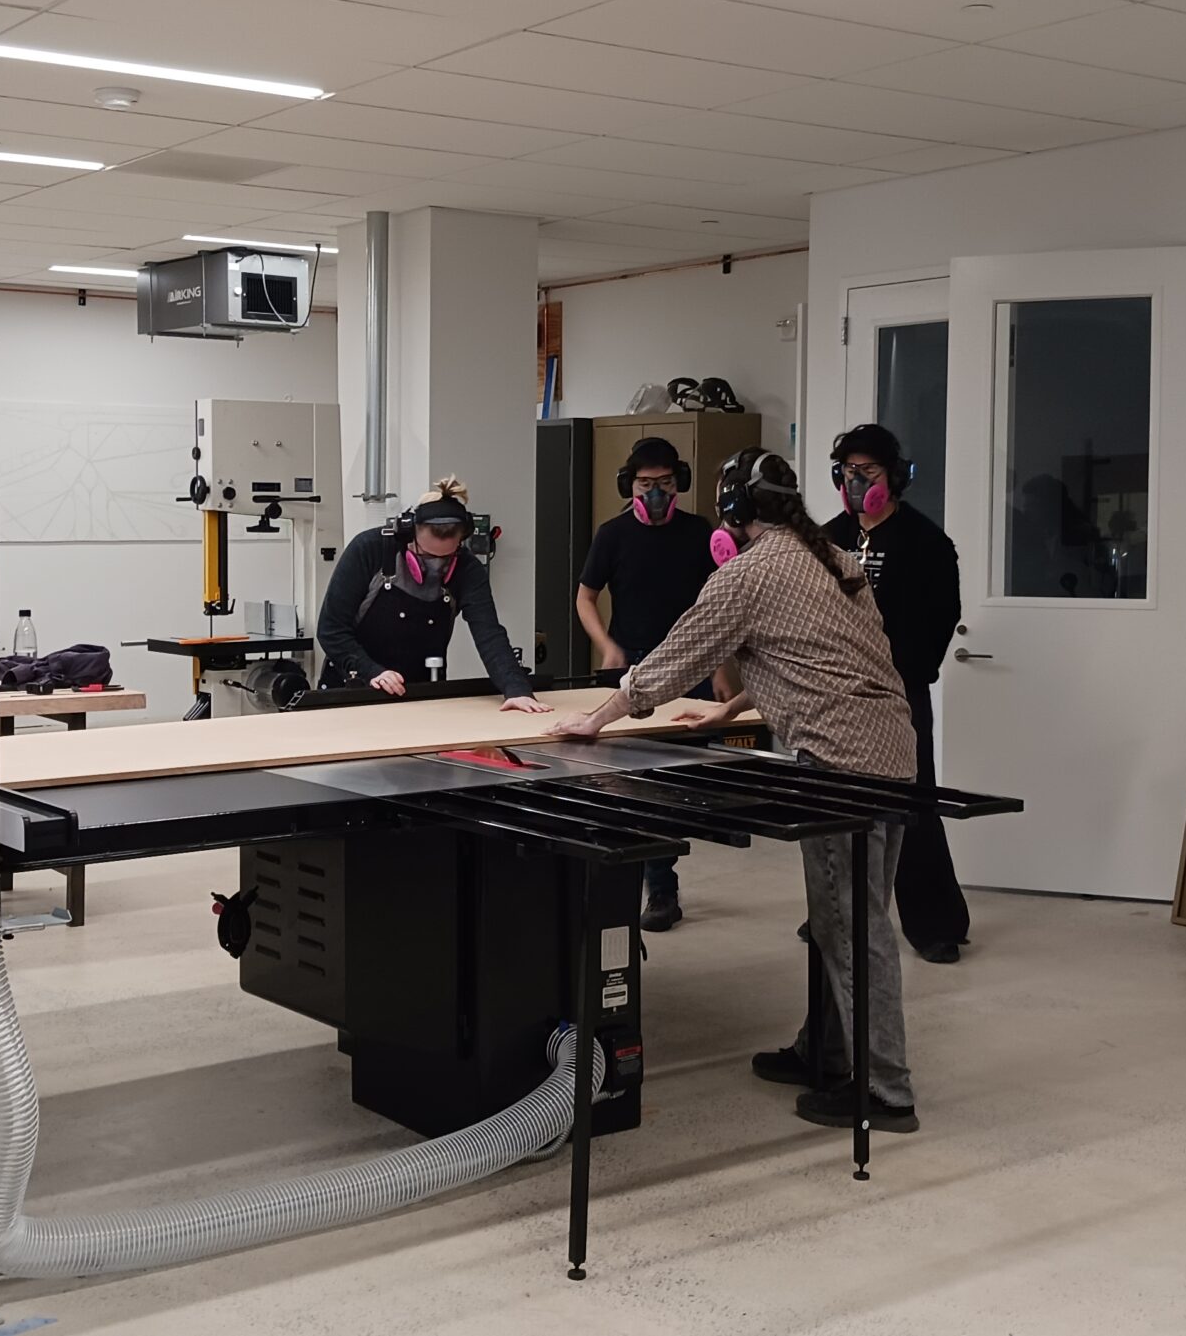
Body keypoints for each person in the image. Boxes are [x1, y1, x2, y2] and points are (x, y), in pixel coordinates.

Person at [547, 448, 922, 1134]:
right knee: (840, 918)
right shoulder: (836, 559)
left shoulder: (748, 574)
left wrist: (597, 718)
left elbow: (672, 658)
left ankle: (885, 1089)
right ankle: (824, 1051)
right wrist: (729, 708)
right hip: (892, 750)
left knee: (851, 927)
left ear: (732, 511)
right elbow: (816, 654)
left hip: (840, 761)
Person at [825, 423, 970, 965]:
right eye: (849, 472)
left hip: (899, 691)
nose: (857, 481)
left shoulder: (925, 541)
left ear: (894, 477)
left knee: (912, 803)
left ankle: (935, 924)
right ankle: (836, 914)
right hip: (837, 692)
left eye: (868, 471)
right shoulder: (828, 538)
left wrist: (911, 672)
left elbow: (943, 615)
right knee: (837, 808)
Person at [574, 436, 718, 932]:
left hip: (690, 668)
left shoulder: (699, 532)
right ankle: (631, 882)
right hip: (632, 668)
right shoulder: (612, 535)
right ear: (628, 485)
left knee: (672, 784)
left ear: (680, 482)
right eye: (645, 484)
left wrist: (720, 667)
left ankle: (661, 887)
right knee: (628, 784)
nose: (655, 493)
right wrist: (607, 646)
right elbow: (585, 597)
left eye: (665, 483)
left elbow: (718, 605)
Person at [317, 476, 552, 714]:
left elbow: (489, 634)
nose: (436, 566)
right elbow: (331, 629)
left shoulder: (467, 569)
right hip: (352, 689)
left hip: (423, 694)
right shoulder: (369, 549)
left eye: (447, 557)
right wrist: (371, 671)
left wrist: (516, 689)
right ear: (409, 534)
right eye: (427, 556)